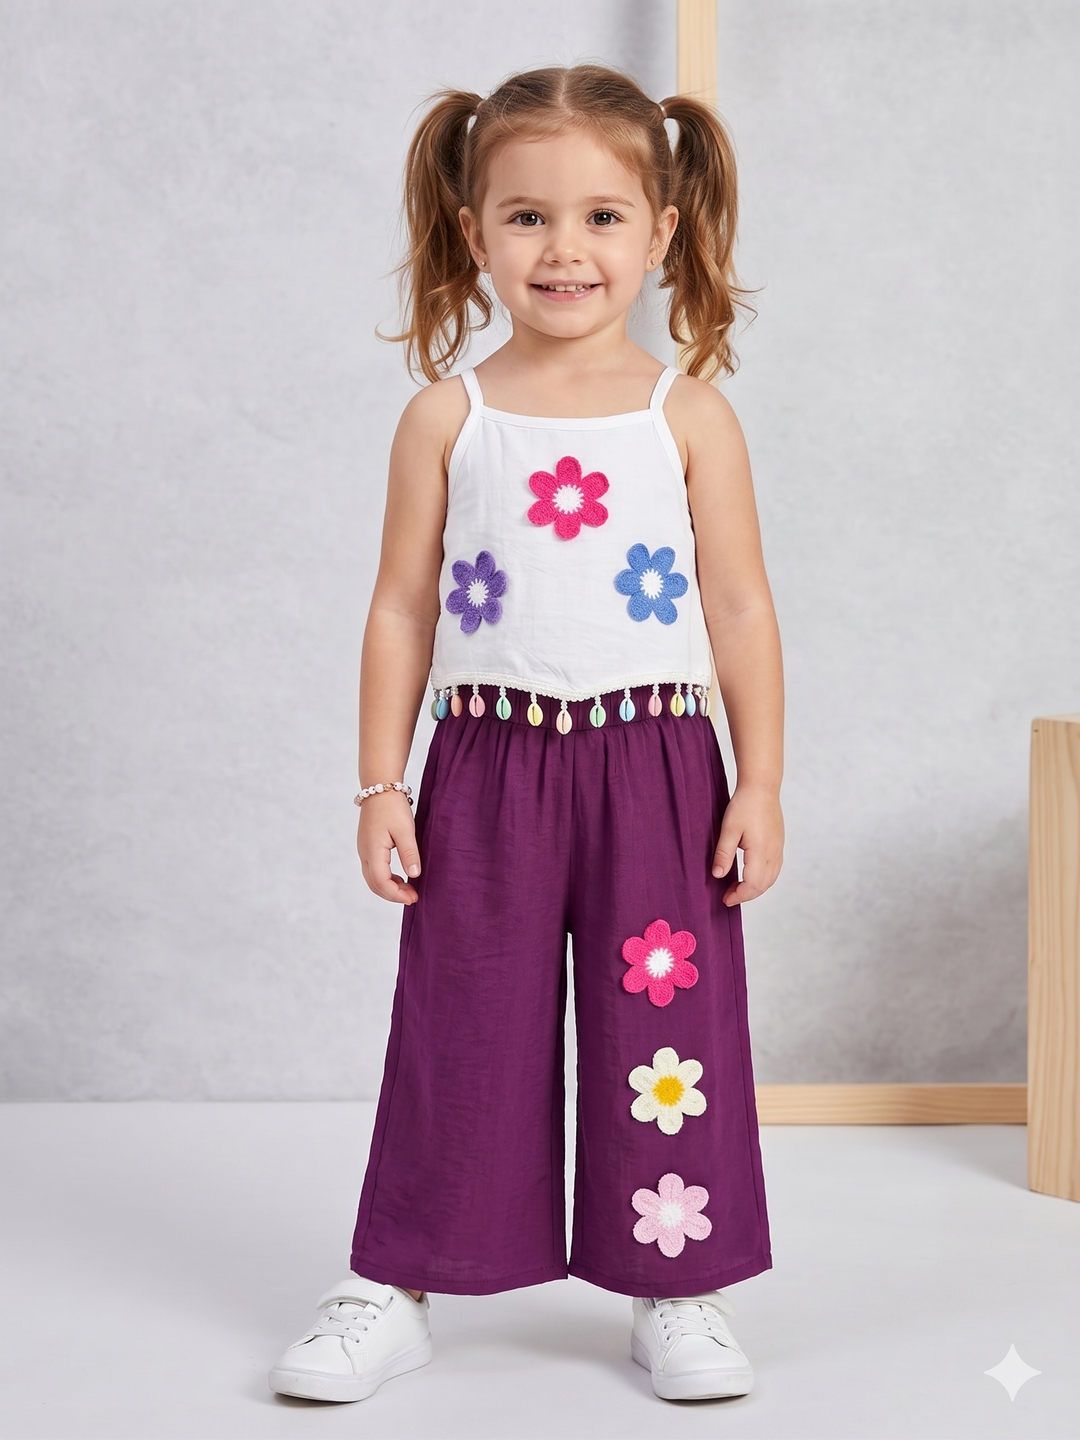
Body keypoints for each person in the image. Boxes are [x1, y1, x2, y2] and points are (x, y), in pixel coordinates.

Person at [269, 62, 784, 1406]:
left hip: (658, 765)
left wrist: (762, 782)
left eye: (603, 217)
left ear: (662, 231)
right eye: (528, 217)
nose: (565, 250)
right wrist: (380, 783)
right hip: (488, 764)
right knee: (463, 1022)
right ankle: (399, 1280)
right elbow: (399, 607)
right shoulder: (450, 417)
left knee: (666, 1033)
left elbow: (740, 607)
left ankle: (675, 1277)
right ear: (473, 230)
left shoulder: (689, 417)